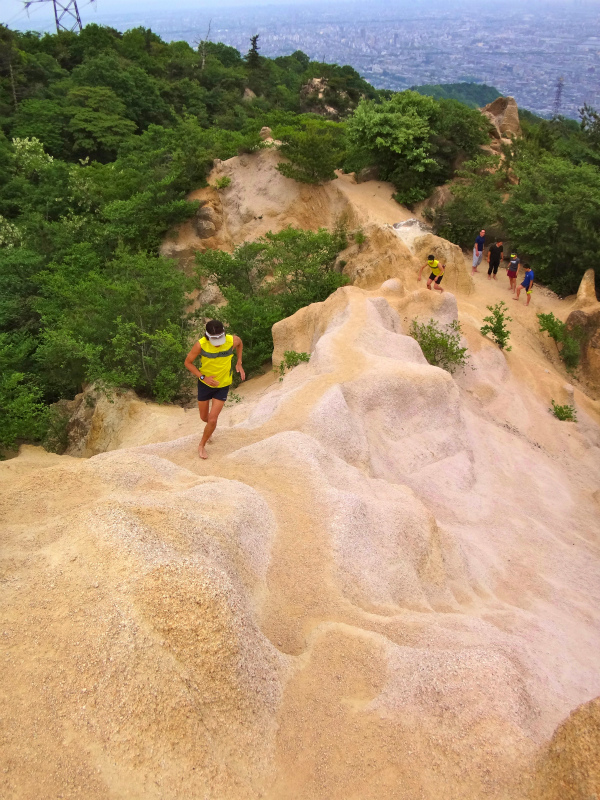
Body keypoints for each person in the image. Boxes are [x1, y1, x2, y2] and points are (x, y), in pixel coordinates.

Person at [184, 320, 245, 459]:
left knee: (212, 419)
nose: (218, 342)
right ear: (207, 336)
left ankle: (201, 445)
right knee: (204, 417)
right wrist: (202, 377)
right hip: (205, 384)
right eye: (214, 339)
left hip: (222, 385)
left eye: (220, 338)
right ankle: (209, 430)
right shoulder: (200, 345)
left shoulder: (231, 340)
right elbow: (188, 362)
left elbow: (240, 343)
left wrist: (239, 362)